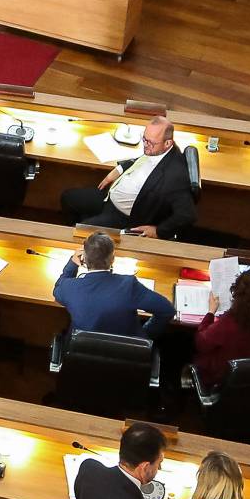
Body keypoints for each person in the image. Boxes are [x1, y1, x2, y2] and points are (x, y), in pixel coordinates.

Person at [60, 117, 194, 237]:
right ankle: (87, 223)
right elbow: (141, 158)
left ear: (168, 143)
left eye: (150, 142)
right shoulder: (156, 150)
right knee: (68, 198)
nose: (145, 145)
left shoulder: (175, 175)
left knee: (79, 232)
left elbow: (186, 215)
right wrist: (119, 169)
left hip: (123, 217)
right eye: (144, 139)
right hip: (109, 198)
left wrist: (158, 231)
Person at [54, 231, 175, 339]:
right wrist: (143, 337)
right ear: (112, 259)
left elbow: (57, 289)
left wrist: (72, 264)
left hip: (83, 357)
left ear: (84, 258)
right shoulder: (128, 285)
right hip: (127, 356)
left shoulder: (70, 287)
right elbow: (167, 310)